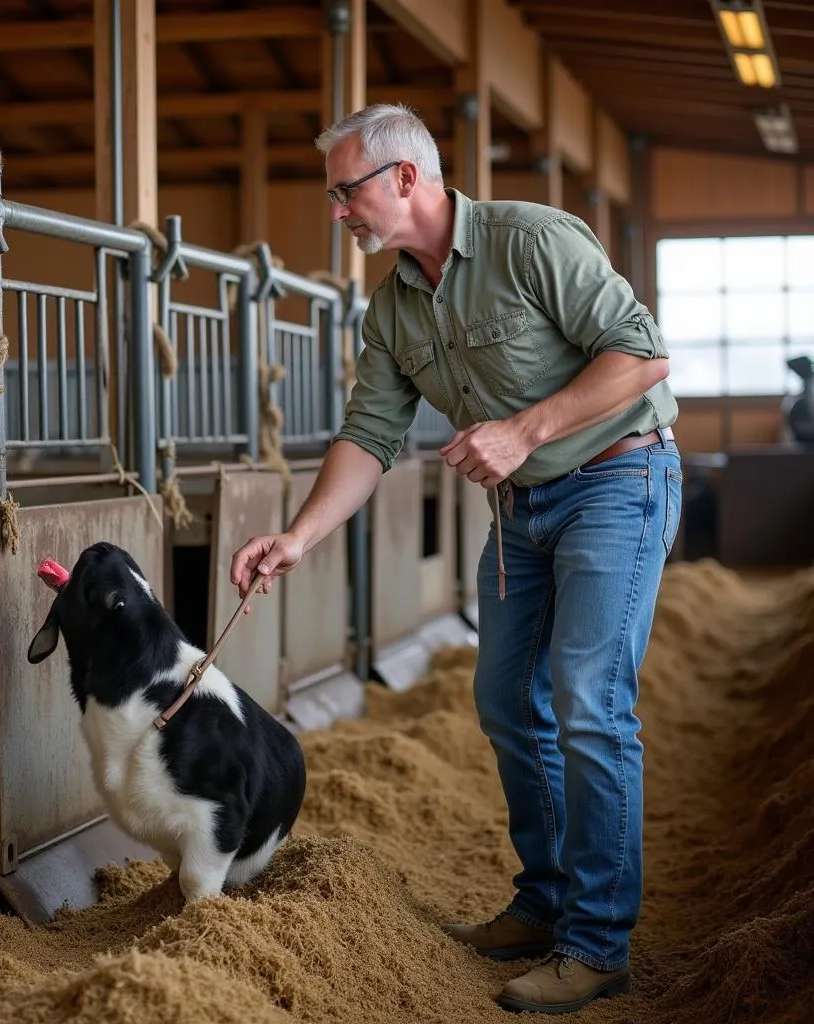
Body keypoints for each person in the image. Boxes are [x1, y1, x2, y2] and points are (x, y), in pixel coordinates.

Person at [229, 103, 681, 1015]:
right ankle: (546, 901)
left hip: (615, 482)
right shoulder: (391, 307)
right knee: (508, 700)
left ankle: (597, 943)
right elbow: (370, 434)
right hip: (521, 510)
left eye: (345, 192)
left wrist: (523, 430)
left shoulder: (529, 242)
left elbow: (641, 356)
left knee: (589, 698)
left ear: (404, 178)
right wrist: (298, 536)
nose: (337, 213)